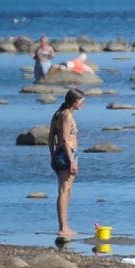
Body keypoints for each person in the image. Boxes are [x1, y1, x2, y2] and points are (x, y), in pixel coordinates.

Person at [49, 87, 84, 239]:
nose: (82, 105)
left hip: (61, 154)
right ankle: (63, 227)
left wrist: (52, 155)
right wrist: (71, 161)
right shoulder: (66, 115)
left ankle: (65, 226)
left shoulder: (58, 114)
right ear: (75, 101)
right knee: (64, 191)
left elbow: (51, 138)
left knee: (66, 191)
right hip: (66, 154)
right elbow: (63, 139)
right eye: (81, 102)